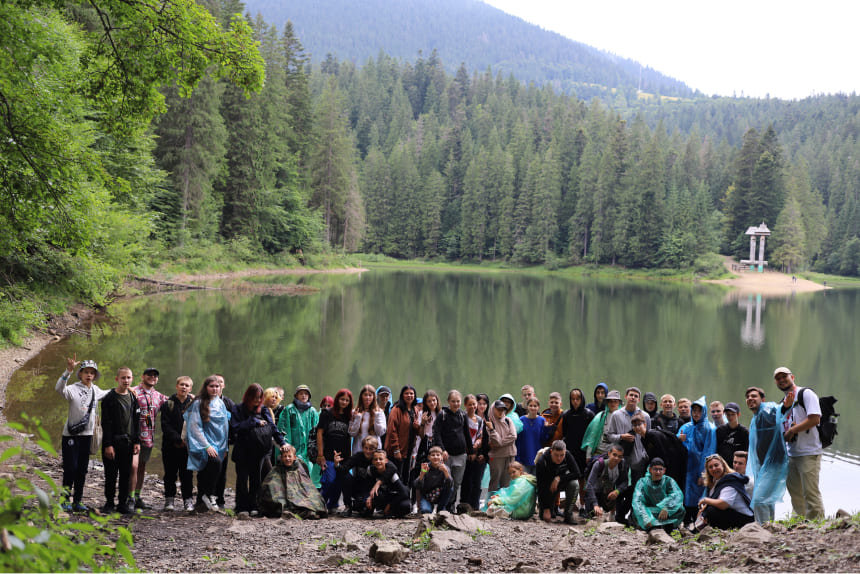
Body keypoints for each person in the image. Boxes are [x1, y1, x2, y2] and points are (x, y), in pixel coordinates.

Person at [56, 355, 110, 512]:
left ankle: (77, 500)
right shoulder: (72, 389)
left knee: (82, 469)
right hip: (70, 435)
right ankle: (64, 499)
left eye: (92, 373)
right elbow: (59, 388)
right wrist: (68, 371)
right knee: (70, 468)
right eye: (86, 372)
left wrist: (128, 388)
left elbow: (109, 393)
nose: (89, 375)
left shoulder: (95, 390)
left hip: (87, 436)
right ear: (80, 374)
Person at [231, 383, 288, 517]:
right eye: (255, 397)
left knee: (256, 479)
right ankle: (241, 507)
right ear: (249, 396)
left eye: (259, 398)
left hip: (258, 451)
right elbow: (235, 427)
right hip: (242, 450)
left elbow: (272, 427)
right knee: (242, 479)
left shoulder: (263, 409)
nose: (257, 400)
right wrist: (254, 422)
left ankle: (254, 505)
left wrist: (282, 442)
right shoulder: (238, 409)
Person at [775, 366, 825, 520]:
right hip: (792, 453)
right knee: (796, 494)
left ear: (793, 377)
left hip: (809, 452)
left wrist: (793, 431)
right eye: (778, 378)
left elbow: (815, 419)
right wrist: (786, 434)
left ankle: (817, 525)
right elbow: (783, 426)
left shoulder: (806, 394)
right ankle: (802, 526)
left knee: (810, 493)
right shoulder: (783, 403)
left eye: (785, 376)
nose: (782, 380)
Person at [184, 375, 230, 512]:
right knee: (214, 464)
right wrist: (207, 445)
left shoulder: (220, 403)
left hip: (219, 443)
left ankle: (201, 501)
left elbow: (224, 427)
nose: (215, 389)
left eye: (217, 386)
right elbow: (194, 427)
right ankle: (209, 494)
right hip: (202, 442)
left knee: (206, 470)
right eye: (212, 386)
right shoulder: (199, 403)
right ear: (206, 387)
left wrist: (225, 446)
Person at [100, 367, 141, 515]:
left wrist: (137, 441)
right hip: (113, 442)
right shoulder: (110, 398)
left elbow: (137, 421)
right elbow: (105, 423)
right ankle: (109, 502)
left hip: (129, 442)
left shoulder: (133, 397)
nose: (126, 381)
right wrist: (108, 444)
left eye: (129, 378)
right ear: (117, 379)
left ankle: (122, 503)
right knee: (111, 474)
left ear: (132, 379)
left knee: (125, 473)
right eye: (123, 378)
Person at [745, 386, 788, 523]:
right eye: (748, 397)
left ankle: (762, 529)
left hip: (774, 462)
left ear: (762, 399)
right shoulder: (757, 416)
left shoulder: (767, 411)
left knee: (759, 499)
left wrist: (785, 406)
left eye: (754, 396)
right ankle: (770, 528)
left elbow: (778, 413)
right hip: (766, 464)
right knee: (767, 499)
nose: (750, 399)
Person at [129, 367, 168, 511]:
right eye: (149, 375)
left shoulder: (158, 396)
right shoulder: (133, 391)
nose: (152, 377)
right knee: (132, 467)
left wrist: (192, 397)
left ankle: (138, 496)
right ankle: (130, 497)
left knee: (141, 467)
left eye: (155, 376)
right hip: (133, 437)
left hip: (148, 438)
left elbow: (175, 402)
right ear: (142, 376)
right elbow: (119, 392)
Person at [259, 445, 327, 519]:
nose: (287, 458)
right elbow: (269, 485)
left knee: (314, 502)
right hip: (284, 499)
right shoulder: (276, 470)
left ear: (294, 457)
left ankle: (302, 513)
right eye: (285, 456)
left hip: (300, 497)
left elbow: (307, 486)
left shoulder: (300, 469)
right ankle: (297, 513)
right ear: (281, 458)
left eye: (289, 456)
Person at [677, 396, 717, 524]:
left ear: (704, 411)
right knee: (685, 496)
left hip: (699, 469)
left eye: (699, 411)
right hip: (686, 469)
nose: (696, 413)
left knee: (699, 496)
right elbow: (676, 447)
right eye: (693, 410)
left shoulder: (709, 428)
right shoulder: (686, 427)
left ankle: (698, 522)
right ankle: (686, 522)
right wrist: (680, 440)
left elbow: (709, 451)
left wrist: (703, 473)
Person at [433, 390, 472, 510]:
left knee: (457, 483)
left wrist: (470, 451)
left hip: (461, 454)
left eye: (458, 401)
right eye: (453, 401)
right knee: (446, 481)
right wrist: (442, 450)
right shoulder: (442, 415)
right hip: (447, 454)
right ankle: (443, 505)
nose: (456, 404)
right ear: (448, 402)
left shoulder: (462, 415)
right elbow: (437, 433)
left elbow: (467, 433)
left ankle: (451, 504)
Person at [160, 375, 195, 512]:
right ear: (176, 386)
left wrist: (186, 441)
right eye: (181, 384)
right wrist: (177, 439)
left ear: (190, 388)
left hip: (188, 446)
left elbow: (196, 424)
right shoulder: (168, 404)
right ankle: (169, 500)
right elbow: (165, 425)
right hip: (170, 445)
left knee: (187, 474)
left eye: (187, 385)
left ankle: (188, 500)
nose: (184, 387)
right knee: (170, 473)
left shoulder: (193, 405)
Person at [316, 388, 353, 512]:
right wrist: (320, 454)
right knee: (329, 480)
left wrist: (350, 455)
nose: (344, 402)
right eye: (342, 399)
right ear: (337, 399)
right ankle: (320, 503)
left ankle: (333, 505)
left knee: (339, 481)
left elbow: (349, 437)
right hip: (329, 453)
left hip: (344, 455)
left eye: (347, 400)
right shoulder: (327, 413)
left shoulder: (349, 416)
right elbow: (320, 433)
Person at [695, 454, 754, 530]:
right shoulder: (714, 482)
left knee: (711, 511)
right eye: (710, 467)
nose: (714, 469)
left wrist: (705, 500)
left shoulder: (730, 481)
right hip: (731, 514)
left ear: (723, 465)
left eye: (716, 465)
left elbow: (724, 504)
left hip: (745, 519)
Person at [278, 384, 321, 489]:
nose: (304, 396)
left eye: (306, 394)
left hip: (308, 452)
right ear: (296, 396)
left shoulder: (313, 412)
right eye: (301, 393)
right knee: (292, 476)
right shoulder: (289, 410)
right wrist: (286, 445)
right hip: (293, 450)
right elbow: (283, 429)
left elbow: (317, 433)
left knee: (308, 477)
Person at [630, 458, 685, 532]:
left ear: (664, 470)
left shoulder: (669, 481)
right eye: (655, 469)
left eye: (660, 469)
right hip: (649, 511)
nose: (658, 472)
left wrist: (667, 508)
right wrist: (646, 518)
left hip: (663, 512)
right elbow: (638, 501)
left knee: (680, 510)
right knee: (635, 513)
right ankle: (652, 526)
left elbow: (677, 495)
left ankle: (667, 526)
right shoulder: (642, 482)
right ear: (650, 470)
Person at [535, 440, 582, 524]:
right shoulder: (542, 461)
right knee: (545, 517)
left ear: (565, 452)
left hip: (561, 482)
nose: (559, 458)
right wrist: (546, 509)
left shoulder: (567, 455)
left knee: (574, 484)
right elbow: (540, 486)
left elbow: (577, 473)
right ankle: (551, 509)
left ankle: (568, 514)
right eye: (556, 455)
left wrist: (559, 478)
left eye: (562, 455)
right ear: (551, 451)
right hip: (547, 486)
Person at [384, 385, 421, 486]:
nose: (409, 395)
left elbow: (416, 431)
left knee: (406, 476)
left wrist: (417, 426)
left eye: (411, 393)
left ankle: (403, 499)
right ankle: (393, 499)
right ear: (402, 395)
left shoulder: (415, 409)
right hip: (396, 450)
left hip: (408, 450)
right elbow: (392, 431)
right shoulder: (396, 409)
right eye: (406, 393)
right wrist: (396, 450)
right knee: (395, 477)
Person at [339, 436, 383, 517]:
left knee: (364, 511)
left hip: (371, 490)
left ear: (375, 449)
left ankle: (363, 506)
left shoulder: (378, 459)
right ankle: (348, 506)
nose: (368, 451)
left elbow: (389, 470)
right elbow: (344, 469)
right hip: (357, 487)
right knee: (346, 476)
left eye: (371, 449)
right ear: (362, 448)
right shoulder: (358, 456)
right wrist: (336, 464)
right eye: (366, 448)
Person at [584, 443, 629, 521]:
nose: (616, 458)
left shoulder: (622, 464)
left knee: (630, 490)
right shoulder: (599, 464)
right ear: (609, 454)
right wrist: (595, 504)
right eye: (614, 455)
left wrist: (617, 491)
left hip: (609, 493)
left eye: (619, 456)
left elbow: (625, 482)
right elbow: (589, 485)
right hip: (595, 493)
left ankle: (617, 516)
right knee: (591, 516)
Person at [460, 393, 488, 511]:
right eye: (470, 404)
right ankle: (463, 505)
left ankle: (475, 507)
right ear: (465, 405)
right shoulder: (462, 418)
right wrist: (469, 449)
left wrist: (476, 447)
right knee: (466, 480)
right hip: (465, 453)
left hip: (476, 453)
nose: (473, 406)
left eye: (474, 404)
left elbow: (481, 436)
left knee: (476, 482)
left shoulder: (480, 420)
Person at [486, 400, 518, 497]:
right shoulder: (489, 423)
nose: (501, 412)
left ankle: (505, 503)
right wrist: (492, 430)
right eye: (498, 409)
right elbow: (495, 441)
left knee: (507, 481)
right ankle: (490, 503)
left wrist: (500, 442)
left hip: (510, 455)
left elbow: (513, 436)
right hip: (497, 457)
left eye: (503, 410)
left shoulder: (508, 420)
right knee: (494, 481)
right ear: (493, 409)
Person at [212, 373, 234, 511]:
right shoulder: (203, 401)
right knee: (206, 472)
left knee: (222, 472)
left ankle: (220, 499)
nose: (217, 385)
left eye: (220, 382)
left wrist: (229, 442)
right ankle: (206, 497)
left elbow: (234, 423)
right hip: (207, 443)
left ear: (223, 385)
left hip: (223, 444)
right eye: (214, 383)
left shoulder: (228, 403)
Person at [367, 450, 411, 517]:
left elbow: (404, 493)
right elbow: (368, 485)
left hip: (394, 497)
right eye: (375, 459)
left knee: (406, 506)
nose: (378, 461)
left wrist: (390, 505)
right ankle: (378, 510)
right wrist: (369, 497)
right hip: (383, 497)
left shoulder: (393, 474)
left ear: (386, 461)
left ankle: (390, 511)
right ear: (372, 462)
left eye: (381, 459)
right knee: (371, 496)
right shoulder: (370, 470)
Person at [581, 389, 622, 458]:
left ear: (619, 403)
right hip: (599, 453)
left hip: (615, 455)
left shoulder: (622, 417)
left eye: (615, 401)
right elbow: (592, 436)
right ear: (607, 403)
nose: (613, 403)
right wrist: (588, 455)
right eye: (610, 401)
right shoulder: (600, 416)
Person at [413, 446, 454, 514]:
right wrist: (422, 474)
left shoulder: (445, 468)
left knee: (450, 488)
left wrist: (446, 472)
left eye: (438, 455)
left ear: (442, 457)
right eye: (433, 455)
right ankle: (428, 506)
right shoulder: (425, 467)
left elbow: (450, 484)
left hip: (439, 494)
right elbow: (416, 485)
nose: (435, 457)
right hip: (427, 495)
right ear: (429, 457)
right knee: (426, 511)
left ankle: (441, 508)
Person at [517, 397, 552, 474]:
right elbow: (518, 441)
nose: (533, 408)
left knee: (536, 482)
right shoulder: (521, 420)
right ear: (527, 407)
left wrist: (547, 429)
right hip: (524, 458)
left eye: (535, 406)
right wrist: (518, 459)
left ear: (538, 407)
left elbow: (543, 439)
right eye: (531, 405)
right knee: (525, 483)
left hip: (537, 458)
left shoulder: (542, 420)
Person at [349, 384, 387, 454]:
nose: (367, 397)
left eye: (370, 395)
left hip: (375, 452)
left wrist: (377, 416)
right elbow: (352, 433)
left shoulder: (379, 412)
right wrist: (358, 418)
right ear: (361, 397)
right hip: (359, 451)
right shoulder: (355, 412)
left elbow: (380, 432)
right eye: (365, 395)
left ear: (374, 397)